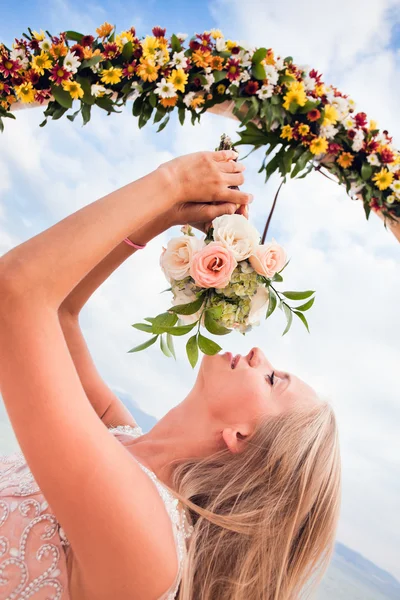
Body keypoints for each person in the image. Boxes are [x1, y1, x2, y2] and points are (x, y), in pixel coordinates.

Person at [0, 149, 341, 600]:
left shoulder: (147, 540)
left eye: (274, 380)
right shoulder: (121, 436)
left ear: (240, 436)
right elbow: (60, 311)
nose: (260, 353)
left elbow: (16, 292)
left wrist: (172, 181)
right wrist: (162, 218)